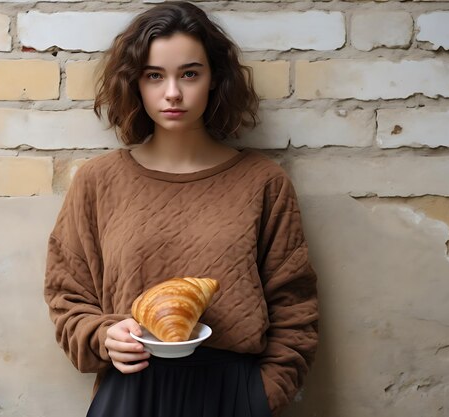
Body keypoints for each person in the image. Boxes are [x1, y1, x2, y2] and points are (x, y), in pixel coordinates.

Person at [44, 2, 318, 416]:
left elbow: (295, 303)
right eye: (154, 76)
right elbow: (67, 294)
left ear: (214, 80)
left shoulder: (263, 182)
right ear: (134, 83)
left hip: (234, 392)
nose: (173, 92)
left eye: (190, 73)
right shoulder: (98, 182)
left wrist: (264, 395)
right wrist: (102, 335)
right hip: (132, 390)